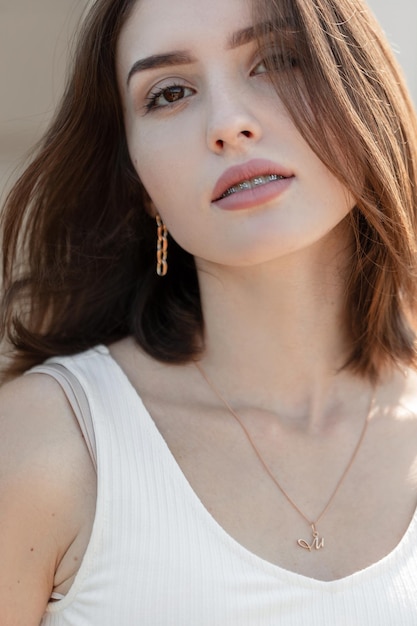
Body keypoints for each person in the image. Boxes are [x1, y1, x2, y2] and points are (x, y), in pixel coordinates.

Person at [1, 0, 417, 623]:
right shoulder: (53, 441)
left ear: (358, 87)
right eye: (169, 93)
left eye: (276, 60)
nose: (227, 123)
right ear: (141, 185)